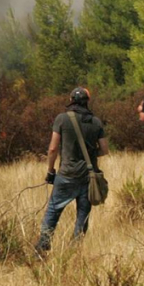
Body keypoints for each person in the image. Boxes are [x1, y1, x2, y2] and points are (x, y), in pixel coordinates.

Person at [36, 87, 109, 254]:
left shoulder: (62, 119)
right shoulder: (96, 122)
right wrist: (91, 156)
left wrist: (50, 171)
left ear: (71, 100)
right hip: (87, 177)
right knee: (82, 216)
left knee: (53, 210)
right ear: (87, 102)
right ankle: (75, 250)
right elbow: (105, 150)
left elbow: (53, 148)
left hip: (66, 174)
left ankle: (43, 246)